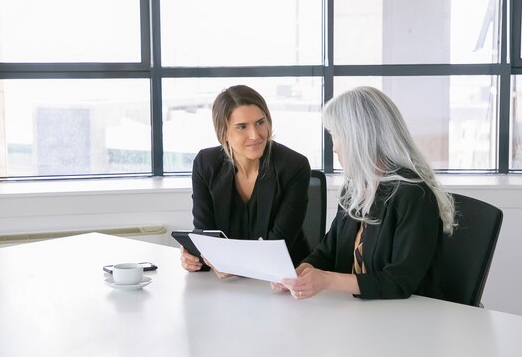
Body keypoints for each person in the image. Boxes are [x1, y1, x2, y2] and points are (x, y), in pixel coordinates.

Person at [272, 86, 456, 300]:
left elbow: (399, 281)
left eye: (336, 136)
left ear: (360, 138)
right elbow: (327, 252)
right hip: (359, 314)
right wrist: (298, 274)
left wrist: (327, 280)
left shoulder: (414, 195)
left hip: (405, 320)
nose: (334, 148)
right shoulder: (355, 188)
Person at [180, 85, 312, 276]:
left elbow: (277, 246)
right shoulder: (205, 164)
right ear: (223, 132)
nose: (255, 135)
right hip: (229, 284)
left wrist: (230, 264)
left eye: (260, 123)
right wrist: (194, 258)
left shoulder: (294, 166)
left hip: (287, 280)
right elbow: (205, 235)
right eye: (242, 126)